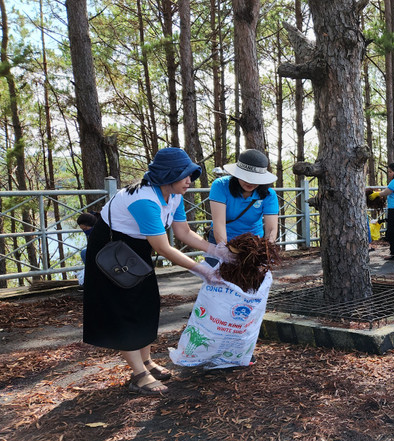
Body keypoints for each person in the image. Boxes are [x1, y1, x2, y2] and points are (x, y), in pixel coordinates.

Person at [83, 147, 232, 396]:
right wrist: (202, 269)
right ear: (167, 176)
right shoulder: (145, 200)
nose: (189, 181)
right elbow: (163, 247)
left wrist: (216, 251)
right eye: (185, 175)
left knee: (146, 303)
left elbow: (183, 232)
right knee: (126, 309)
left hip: (138, 248)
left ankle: (147, 361)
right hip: (112, 251)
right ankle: (139, 374)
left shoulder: (174, 195)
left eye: (191, 175)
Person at [208, 149, 278, 267]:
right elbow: (219, 223)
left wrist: (266, 250)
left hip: (253, 245)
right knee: (217, 279)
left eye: (255, 178)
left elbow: (271, 229)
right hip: (221, 240)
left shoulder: (269, 195)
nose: (250, 182)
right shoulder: (220, 186)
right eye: (246, 177)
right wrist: (224, 250)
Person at [370, 162, 394, 260]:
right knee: (392, 232)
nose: (389, 174)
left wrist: (376, 194)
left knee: (393, 232)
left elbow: (387, 192)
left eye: (390, 172)